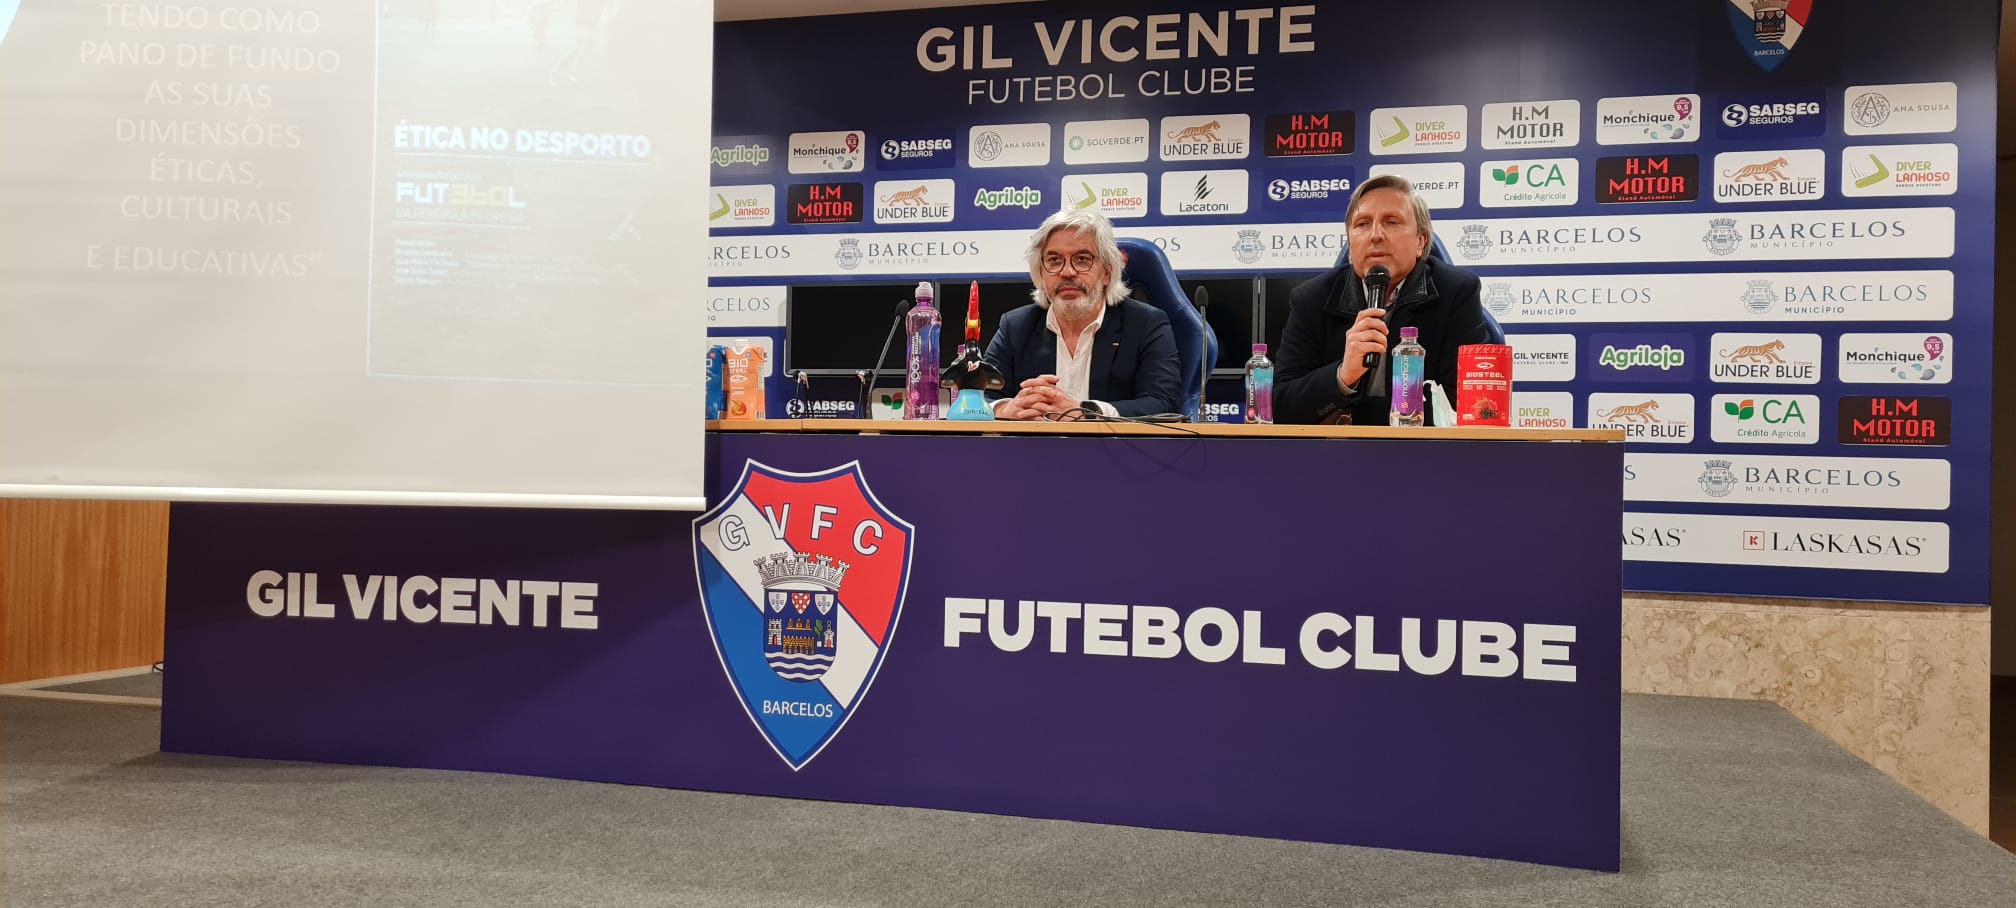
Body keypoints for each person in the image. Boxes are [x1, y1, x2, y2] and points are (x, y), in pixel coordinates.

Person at [1272, 175, 1499, 425]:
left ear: (1420, 241)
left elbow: (1468, 404)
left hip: (1421, 447)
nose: (1375, 235)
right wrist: (1343, 376)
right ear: (1350, 243)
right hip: (1336, 446)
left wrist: (1357, 416)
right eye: (1362, 224)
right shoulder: (1311, 298)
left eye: (1391, 222)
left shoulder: (1456, 292)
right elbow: (1280, 406)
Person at [983, 209, 1183, 419]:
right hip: (1035, 441)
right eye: (1054, 260)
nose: (1067, 272)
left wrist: (1086, 412)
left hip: (1113, 440)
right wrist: (1005, 409)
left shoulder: (1146, 325)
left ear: (1107, 272)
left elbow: (1162, 403)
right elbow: (977, 397)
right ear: (1041, 274)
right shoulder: (1015, 327)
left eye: (1082, 259)